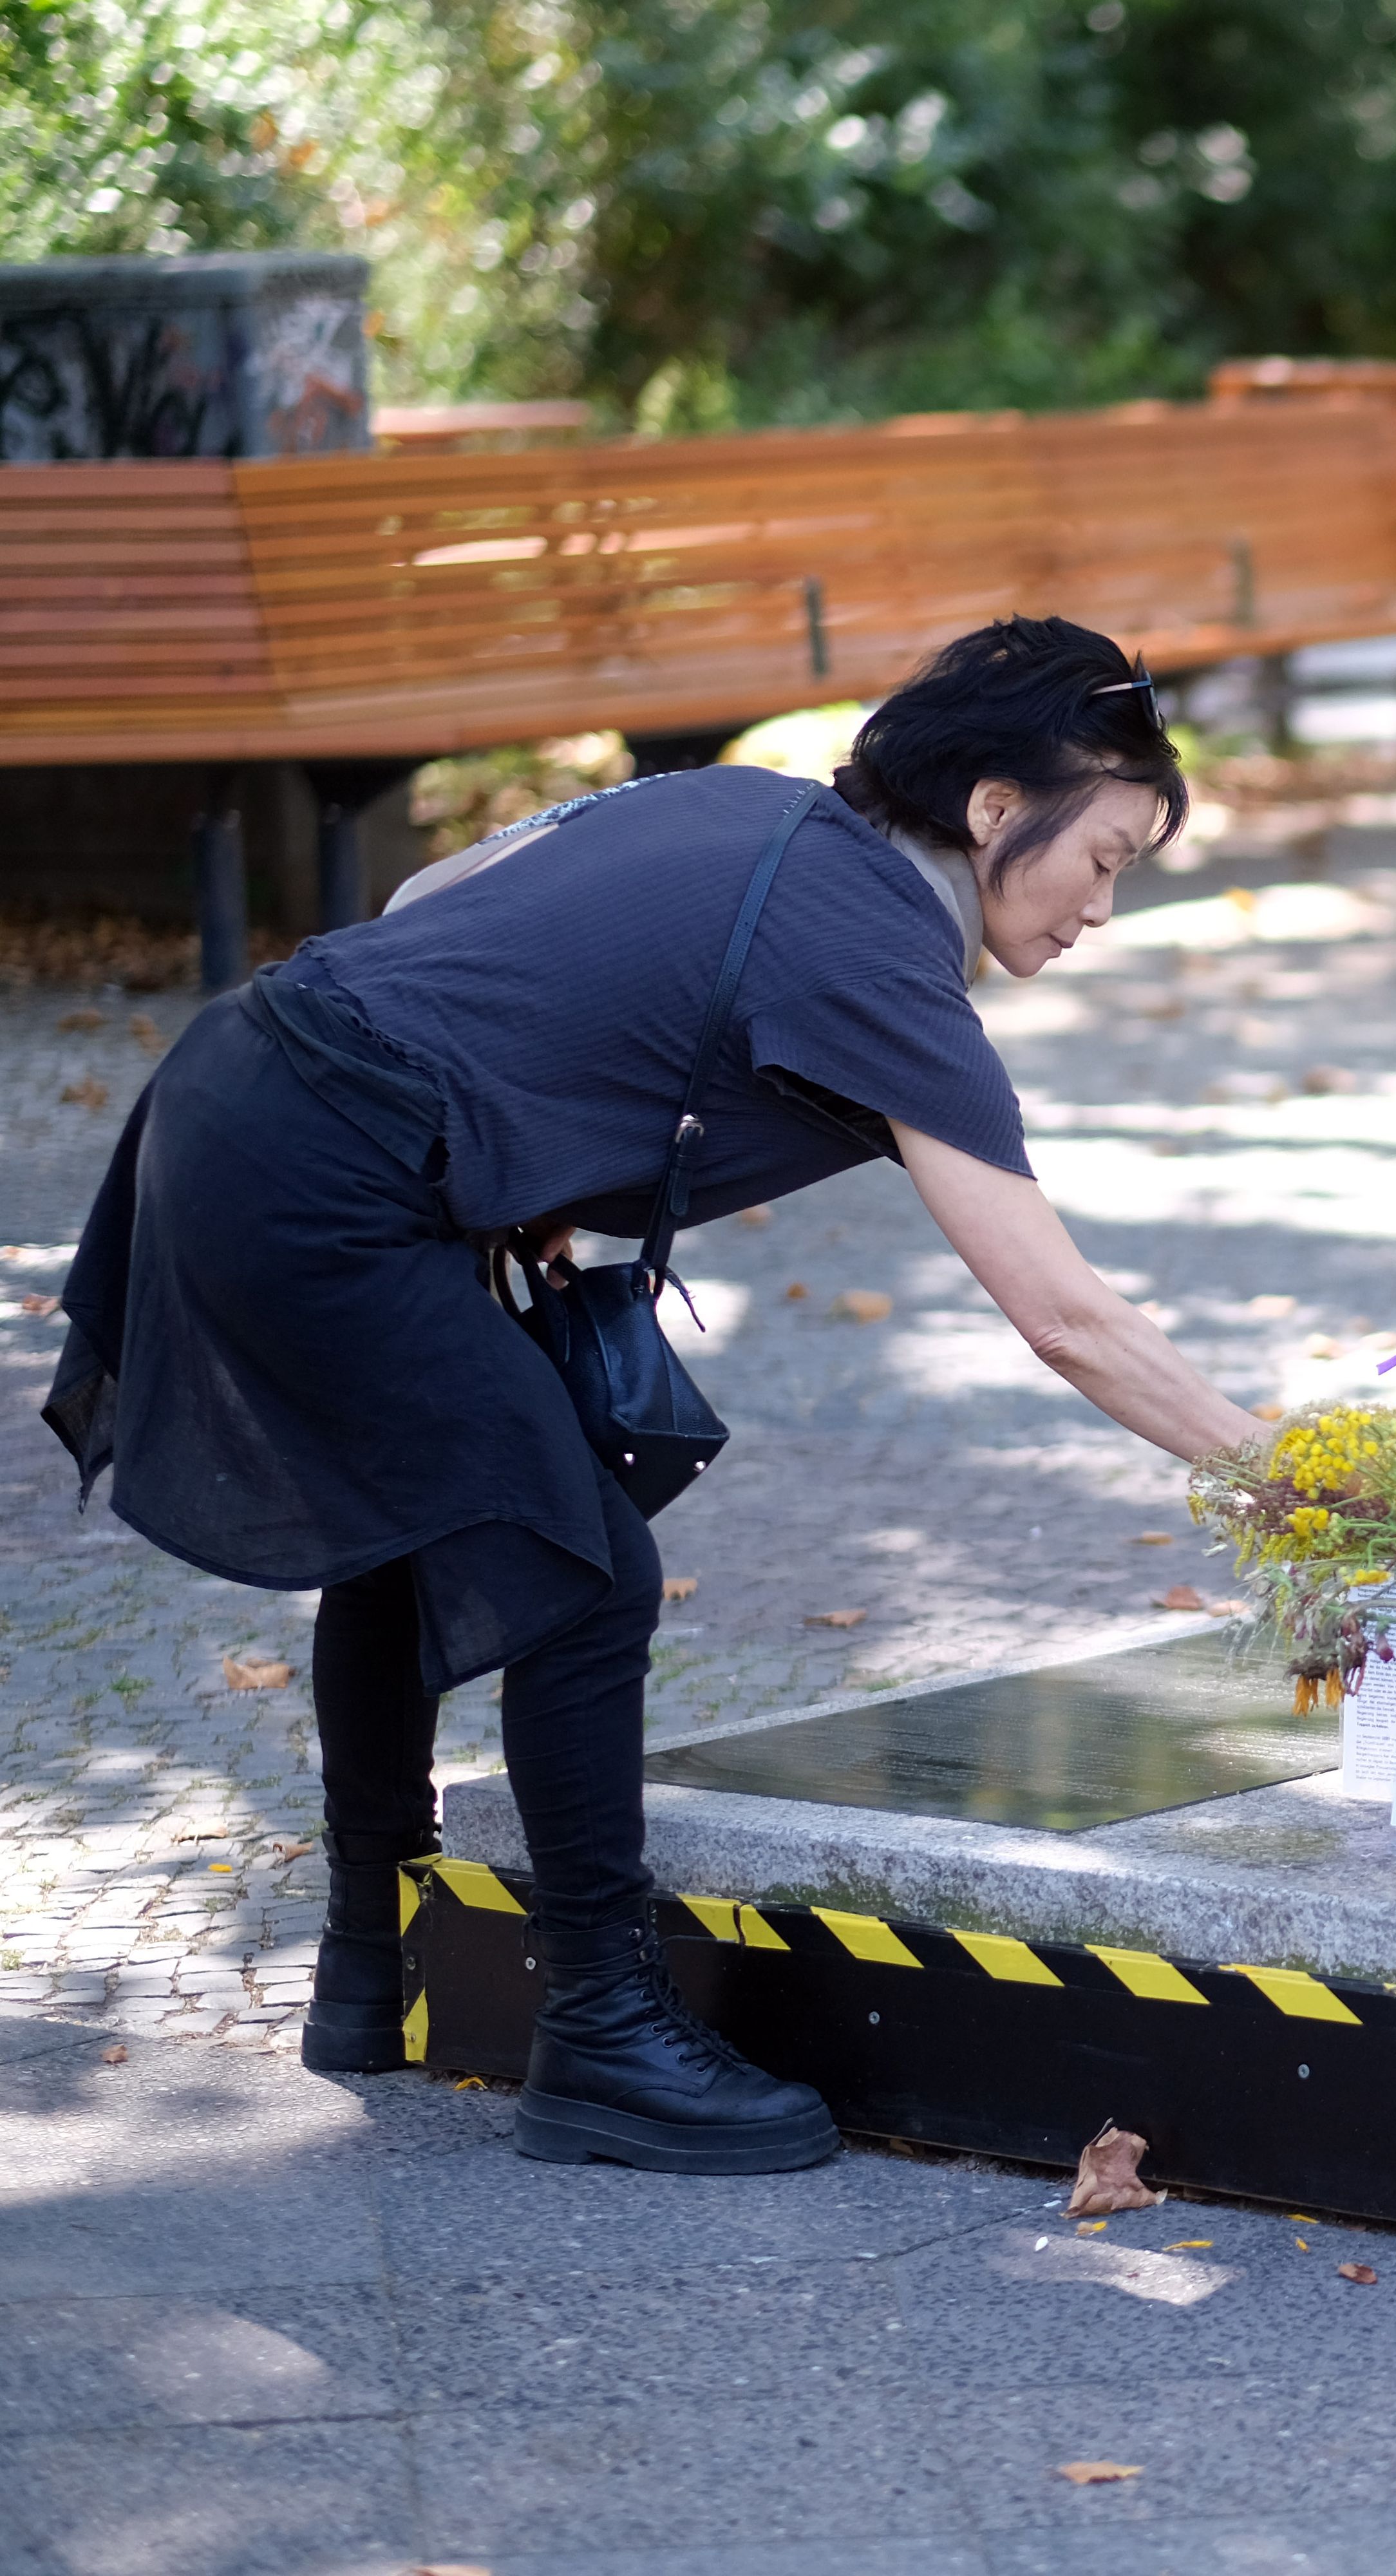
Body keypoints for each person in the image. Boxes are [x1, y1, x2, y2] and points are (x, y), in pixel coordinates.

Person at [42, 618, 1277, 2170]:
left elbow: (433, 904)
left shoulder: (753, 804)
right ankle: (604, 2034)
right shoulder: (882, 959)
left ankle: (370, 1968)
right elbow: (1067, 1316)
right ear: (988, 811)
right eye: (1100, 857)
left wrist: (523, 1117)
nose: (1102, 907)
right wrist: (1287, 1473)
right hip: (324, 1175)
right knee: (585, 1569)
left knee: (415, 1526)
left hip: (237, 1094)